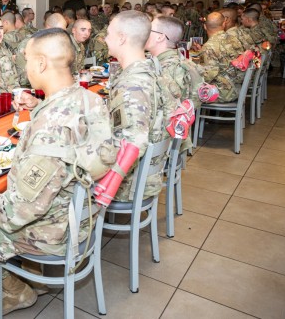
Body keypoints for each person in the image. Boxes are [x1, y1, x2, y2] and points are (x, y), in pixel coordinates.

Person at [0, 28, 116, 316]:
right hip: (83, 210)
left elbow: (20, 210)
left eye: (27, 61)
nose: (25, 68)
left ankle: (16, 291)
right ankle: (33, 274)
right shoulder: (89, 100)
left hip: (54, 230)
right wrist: (39, 106)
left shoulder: (50, 128)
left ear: (40, 64)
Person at [105, 10, 173, 202]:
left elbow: (132, 144)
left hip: (130, 182)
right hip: (148, 172)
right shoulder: (152, 68)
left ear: (121, 38)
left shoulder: (132, 85)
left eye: (108, 34)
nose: (105, 39)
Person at [145, 16, 204, 151]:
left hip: (160, 145)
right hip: (177, 135)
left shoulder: (163, 69)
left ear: (160, 37)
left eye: (149, 30)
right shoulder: (184, 62)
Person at [198, 12, 246, 102]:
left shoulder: (209, 46)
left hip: (223, 92)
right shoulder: (234, 39)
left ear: (205, 26)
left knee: (185, 90)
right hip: (237, 86)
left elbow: (207, 77)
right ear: (224, 24)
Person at [15, 13, 67, 87]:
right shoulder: (29, 43)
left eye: (64, 31)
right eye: (59, 31)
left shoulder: (59, 44)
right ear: (49, 28)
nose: (62, 35)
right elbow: (23, 78)